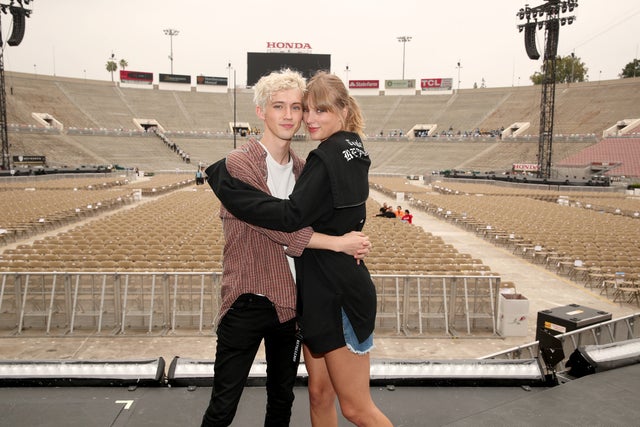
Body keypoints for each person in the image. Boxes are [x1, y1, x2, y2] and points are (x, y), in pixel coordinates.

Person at [207, 71, 392, 427]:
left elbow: (297, 219)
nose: (298, 117)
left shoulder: (307, 167)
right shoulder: (240, 165)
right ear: (262, 111)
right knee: (227, 406)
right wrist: (338, 242)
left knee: (292, 403)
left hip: (299, 302)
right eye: (283, 107)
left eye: (301, 107)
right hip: (250, 298)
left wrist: (343, 239)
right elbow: (276, 224)